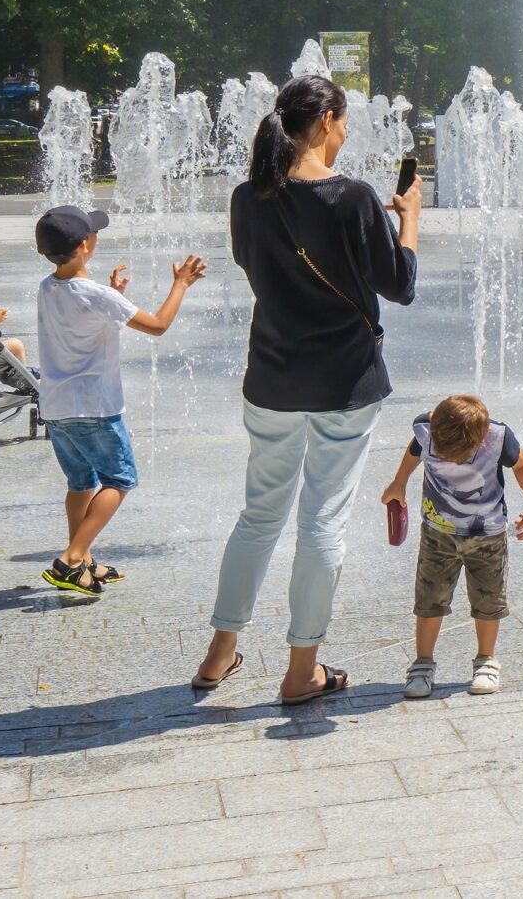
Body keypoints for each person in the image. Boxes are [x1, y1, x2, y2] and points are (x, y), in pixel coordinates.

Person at [195, 74, 420, 705]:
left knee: (259, 516)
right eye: (344, 123)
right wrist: (409, 221)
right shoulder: (353, 198)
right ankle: (301, 671)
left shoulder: (247, 197)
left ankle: (219, 653)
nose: (346, 134)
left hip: (271, 377)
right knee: (323, 520)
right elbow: (400, 285)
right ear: (325, 122)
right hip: (343, 383)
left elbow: (254, 267)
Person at [32, 206, 205, 597]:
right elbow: (158, 326)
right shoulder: (98, 295)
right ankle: (70, 559)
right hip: (95, 408)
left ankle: (84, 561)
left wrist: (114, 297)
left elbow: (83, 321)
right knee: (120, 480)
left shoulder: (47, 287)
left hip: (57, 409)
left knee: (81, 483)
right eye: (93, 232)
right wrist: (181, 283)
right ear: (83, 246)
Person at [380, 393, 523, 699]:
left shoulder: (497, 437)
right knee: (429, 598)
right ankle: (423, 663)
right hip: (437, 534)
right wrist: (398, 482)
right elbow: (414, 451)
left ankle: (486, 660)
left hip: (487, 536)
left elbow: (522, 464)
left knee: (488, 600)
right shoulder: (426, 429)